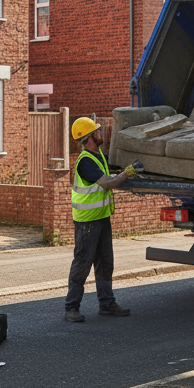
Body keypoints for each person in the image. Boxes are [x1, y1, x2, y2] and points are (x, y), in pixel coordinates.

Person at [65, 116, 136, 322]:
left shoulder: (97, 156)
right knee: (83, 262)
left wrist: (122, 173)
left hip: (102, 218)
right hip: (87, 221)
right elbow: (106, 183)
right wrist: (127, 173)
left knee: (105, 263)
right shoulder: (85, 161)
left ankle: (107, 303)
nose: (100, 133)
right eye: (96, 132)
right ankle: (71, 307)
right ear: (88, 138)